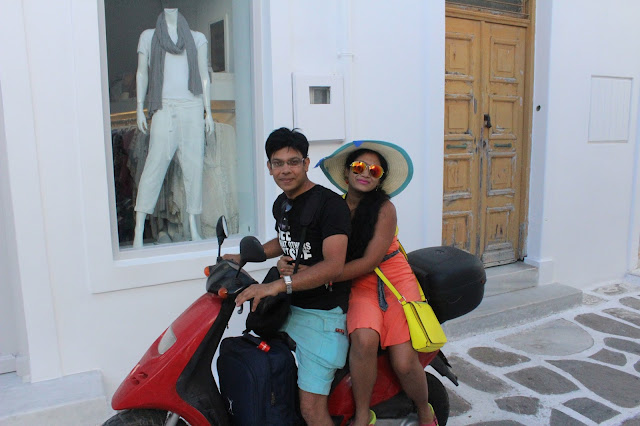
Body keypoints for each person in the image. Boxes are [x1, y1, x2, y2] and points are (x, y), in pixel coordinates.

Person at [280, 140, 437, 426]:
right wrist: (288, 260)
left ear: (380, 179)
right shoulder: (333, 206)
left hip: (394, 282)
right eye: (359, 167)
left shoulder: (385, 209)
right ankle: (364, 412)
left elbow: (369, 262)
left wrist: (319, 275)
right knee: (364, 341)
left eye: (374, 170)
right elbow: (309, 242)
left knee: (404, 361)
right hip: (358, 284)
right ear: (347, 172)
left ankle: (424, 408)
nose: (365, 173)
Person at [226, 127, 352, 426]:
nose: (286, 170)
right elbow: (287, 240)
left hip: (323, 317)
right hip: (290, 309)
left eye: (293, 162)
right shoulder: (282, 204)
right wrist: (247, 256)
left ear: (306, 164)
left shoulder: (330, 205)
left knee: (310, 410)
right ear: (269, 167)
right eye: (278, 163)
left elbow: (334, 265)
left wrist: (275, 286)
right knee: (273, 387)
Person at [132, 8, 215, 248]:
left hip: (192, 106)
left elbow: (204, 76)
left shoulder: (197, 38)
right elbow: (142, 72)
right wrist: (139, 108)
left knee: (193, 168)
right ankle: (138, 230)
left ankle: (193, 227)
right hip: (164, 106)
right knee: (154, 167)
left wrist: (208, 111)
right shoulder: (149, 37)